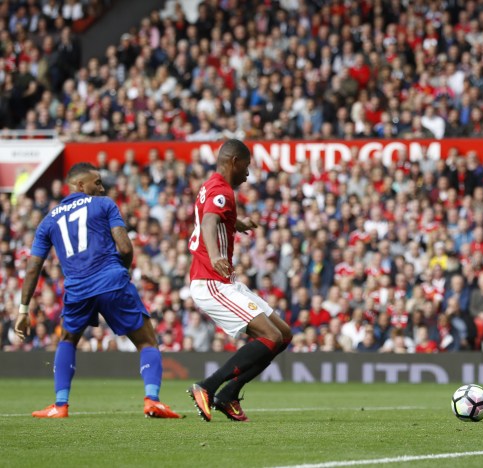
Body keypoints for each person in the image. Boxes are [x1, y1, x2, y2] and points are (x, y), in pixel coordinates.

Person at [14, 162, 181, 419]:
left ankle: (60, 405)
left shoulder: (48, 221)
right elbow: (125, 248)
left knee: (67, 340)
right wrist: (121, 272)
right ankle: (152, 400)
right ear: (81, 185)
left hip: (77, 288)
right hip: (111, 280)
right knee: (147, 341)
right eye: (97, 182)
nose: (102, 188)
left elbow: (34, 266)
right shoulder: (104, 205)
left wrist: (23, 309)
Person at [186, 139, 292, 422]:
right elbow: (209, 223)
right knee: (270, 337)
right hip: (211, 281)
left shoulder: (212, 186)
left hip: (224, 281)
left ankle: (229, 393)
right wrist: (217, 254)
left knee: (283, 335)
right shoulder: (222, 190)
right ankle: (208, 387)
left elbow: (215, 218)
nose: (248, 173)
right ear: (234, 161)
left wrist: (237, 223)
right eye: (246, 166)